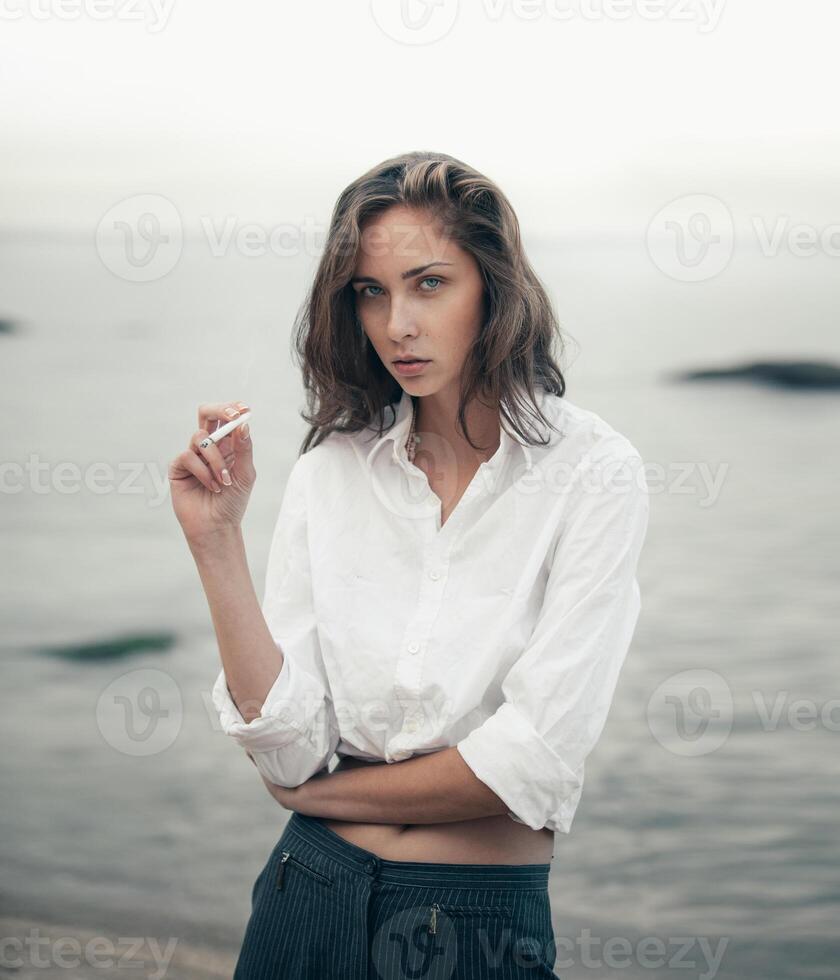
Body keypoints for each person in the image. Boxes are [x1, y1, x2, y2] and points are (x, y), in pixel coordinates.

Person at [168, 151, 650, 979]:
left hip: (472, 923)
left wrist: (316, 798)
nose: (397, 324)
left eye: (430, 283)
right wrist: (217, 543)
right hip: (301, 895)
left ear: (493, 287)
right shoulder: (332, 471)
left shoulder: (595, 473)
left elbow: (528, 764)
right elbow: (288, 748)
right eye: (371, 291)